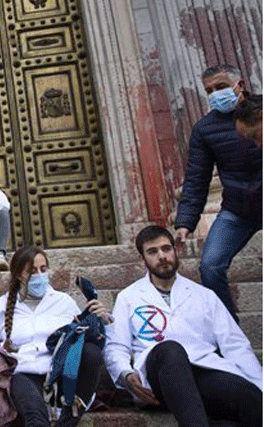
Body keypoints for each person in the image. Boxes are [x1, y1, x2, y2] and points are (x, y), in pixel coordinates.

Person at [104, 225, 262, 427]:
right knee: (171, 349)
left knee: (251, 398)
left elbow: (235, 345)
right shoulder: (128, 297)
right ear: (142, 259)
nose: (162, 256)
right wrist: (126, 374)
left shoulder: (204, 295)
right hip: (159, 375)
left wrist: (258, 383)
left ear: (175, 251)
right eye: (153, 252)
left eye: (166, 249)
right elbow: (116, 346)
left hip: (203, 370)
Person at [0, 246, 109, 427]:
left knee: (91, 352)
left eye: (43, 270)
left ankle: (67, 421)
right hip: (24, 373)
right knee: (35, 417)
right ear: (19, 274)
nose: (40, 275)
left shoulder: (63, 301)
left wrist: (101, 320)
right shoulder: (0, 306)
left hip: (62, 375)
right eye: (32, 271)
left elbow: (86, 335)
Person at [173, 64, 262, 323]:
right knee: (210, 266)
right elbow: (197, 177)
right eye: (209, 90)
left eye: (221, 87)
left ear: (240, 85)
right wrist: (185, 221)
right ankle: (230, 331)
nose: (215, 94)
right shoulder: (204, 129)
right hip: (237, 210)